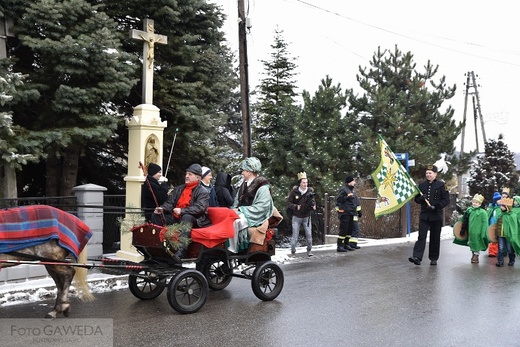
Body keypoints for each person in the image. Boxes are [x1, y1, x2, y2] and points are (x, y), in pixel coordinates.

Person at [229, 157, 280, 253]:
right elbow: (236, 202)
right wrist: (233, 210)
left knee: (236, 221)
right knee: (230, 218)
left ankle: (233, 249)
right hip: (247, 213)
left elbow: (262, 207)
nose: (242, 173)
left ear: (249, 171)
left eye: (243, 170)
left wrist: (240, 210)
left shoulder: (263, 187)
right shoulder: (243, 186)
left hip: (257, 216)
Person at [409, 164, 450, 266]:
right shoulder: (422, 186)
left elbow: (446, 200)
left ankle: (433, 258)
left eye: (430, 173)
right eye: (427, 173)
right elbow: (416, 199)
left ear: (435, 174)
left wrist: (436, 207)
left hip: (436, 215)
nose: (428, 175)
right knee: (421, 236)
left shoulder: (441, 185)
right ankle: (417, 257)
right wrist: (421, 199)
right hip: (424, 215)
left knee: (435, 237)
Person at [286, 172, 316, 257]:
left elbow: (313, 201)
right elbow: (288, 202)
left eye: (306, 182)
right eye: (303, 182)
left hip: (306, 216)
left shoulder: (310, 192)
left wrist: (313, 206)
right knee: (295, 235)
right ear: (300, 183)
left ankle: (309, 250)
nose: (305, 184)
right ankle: (293, 251)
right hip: (296, 216)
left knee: (309, 234)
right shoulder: (294, 192)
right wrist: (295, 206)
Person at [455, 194, 489, 264]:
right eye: (474, 202)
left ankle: (476, 255)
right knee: (472, 243)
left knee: (477, 243)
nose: (474, 203)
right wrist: (463, 229)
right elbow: (465, 220)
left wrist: (483, 233)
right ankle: (474, 254)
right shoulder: (470, 210)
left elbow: (485, 223)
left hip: (478, 231)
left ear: (480, 204)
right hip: (470, 231)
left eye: (476, 202)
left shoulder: (483, 212)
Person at [336, 175, 357, 252]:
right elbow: (338, 199)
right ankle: (340, 245)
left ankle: (346, 244)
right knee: (343, 229)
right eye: (353, 181)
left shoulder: (350, 190)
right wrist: (347, 197)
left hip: (351, 212)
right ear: (349, 182)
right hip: (345, 212)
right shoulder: (343, 190)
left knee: (349, 229)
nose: (354, 182)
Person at [494, 197, 518, 267]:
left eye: (503, 206)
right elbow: (497, 225)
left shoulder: (512, 216)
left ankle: (512, 260)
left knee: (510, 249)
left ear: (507, 207)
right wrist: (496, 234)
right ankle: (500, 261)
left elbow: (514, 227)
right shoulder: (500, 215)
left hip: (508, 236)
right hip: (500, 235)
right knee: (500, 249)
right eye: (501, 205)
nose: (501, 207)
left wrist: (513, 235)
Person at [486, 191, 502, 257]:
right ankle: (492, 252)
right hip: (492, 224)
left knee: (500, 239)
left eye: (500, 199)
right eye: (497, 200)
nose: (499, 201)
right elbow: (488, 215)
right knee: (492, 239)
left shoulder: (502, 208)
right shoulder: (492, 208)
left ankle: (501, 251)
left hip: (499, 225)